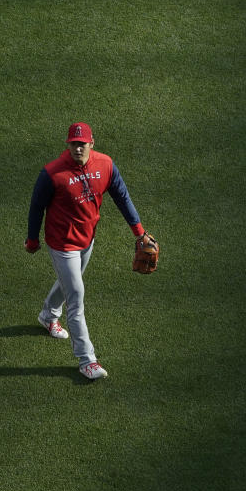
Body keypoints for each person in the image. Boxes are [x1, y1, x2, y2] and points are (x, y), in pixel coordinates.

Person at [25, 122, 149, 380]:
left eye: (83, 143)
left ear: (92, 144)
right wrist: (32, 239)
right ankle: (87, 360)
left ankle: (48, 315)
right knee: (77, 297)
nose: (78, 147)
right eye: (74, 143)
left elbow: (122, 197)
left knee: (71, 283)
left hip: (87, 239)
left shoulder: (105, 164)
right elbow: (37, 206)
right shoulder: (52, 173)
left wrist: (139, 232)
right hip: (62, 244)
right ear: (68, 145)